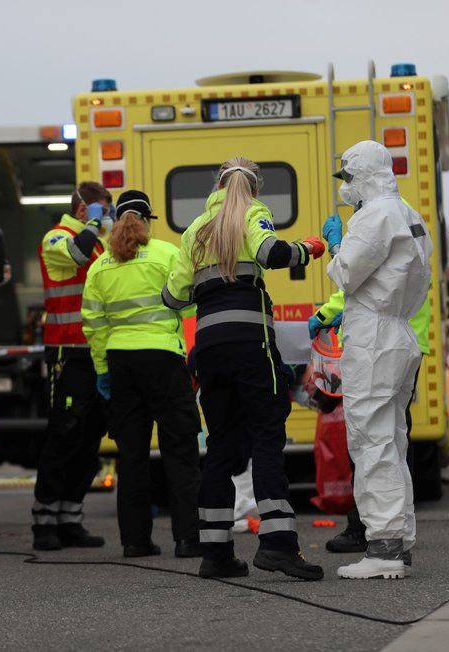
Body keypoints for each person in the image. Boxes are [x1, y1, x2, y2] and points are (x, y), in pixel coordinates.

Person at [162, 156, 326, 580]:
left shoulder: (196, 229)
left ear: (217, 185)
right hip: (252, 347)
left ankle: (214, 553)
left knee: (220, 448)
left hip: (211, 349)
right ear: (254, 189)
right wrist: (308, 250)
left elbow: (173, 297)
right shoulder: (253, 213)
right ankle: (278, 547)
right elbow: (273, 254)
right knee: (267, 440)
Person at [320, 140, 432, 580]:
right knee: (392, 440)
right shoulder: (408, 212)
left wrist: (336, 242)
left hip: (374, 336)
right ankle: (397, 542)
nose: (345, 187)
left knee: (372, 441)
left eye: (347, 178)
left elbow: (347, 272)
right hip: (399, 331)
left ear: (362, 174)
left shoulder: (376, 214)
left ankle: (383, 548)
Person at [81, 190, 202, 559]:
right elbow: (190, 298)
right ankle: (188, 539)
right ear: (148, 220)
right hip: (164, 359)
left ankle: (135, 540)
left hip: (122, 364)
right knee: (179, 451)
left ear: (116, 219)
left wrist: (104, 371)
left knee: (131, 456)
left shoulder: (100, 266)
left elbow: (93, 324)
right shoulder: (167, 254)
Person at [311, 290, 430, 562]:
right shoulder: (416, 247)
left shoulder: (382, 246)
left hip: (381, 345)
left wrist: (325, 313)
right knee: (394, 439)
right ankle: (395, 531)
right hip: (406, 340)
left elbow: (359, 279)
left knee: (370, 438)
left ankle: (370, 529)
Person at [31, 181, 113, 551]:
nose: (107, 217)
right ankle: (45, 520)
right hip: (67, 353)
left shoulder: (97, 242)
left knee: (90, 437)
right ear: (84, 210)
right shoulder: (57, 238)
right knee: (64, 434)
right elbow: (76, 256)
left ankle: (70, 517)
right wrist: (92, 228)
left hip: (96, 351)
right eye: (102, 210)